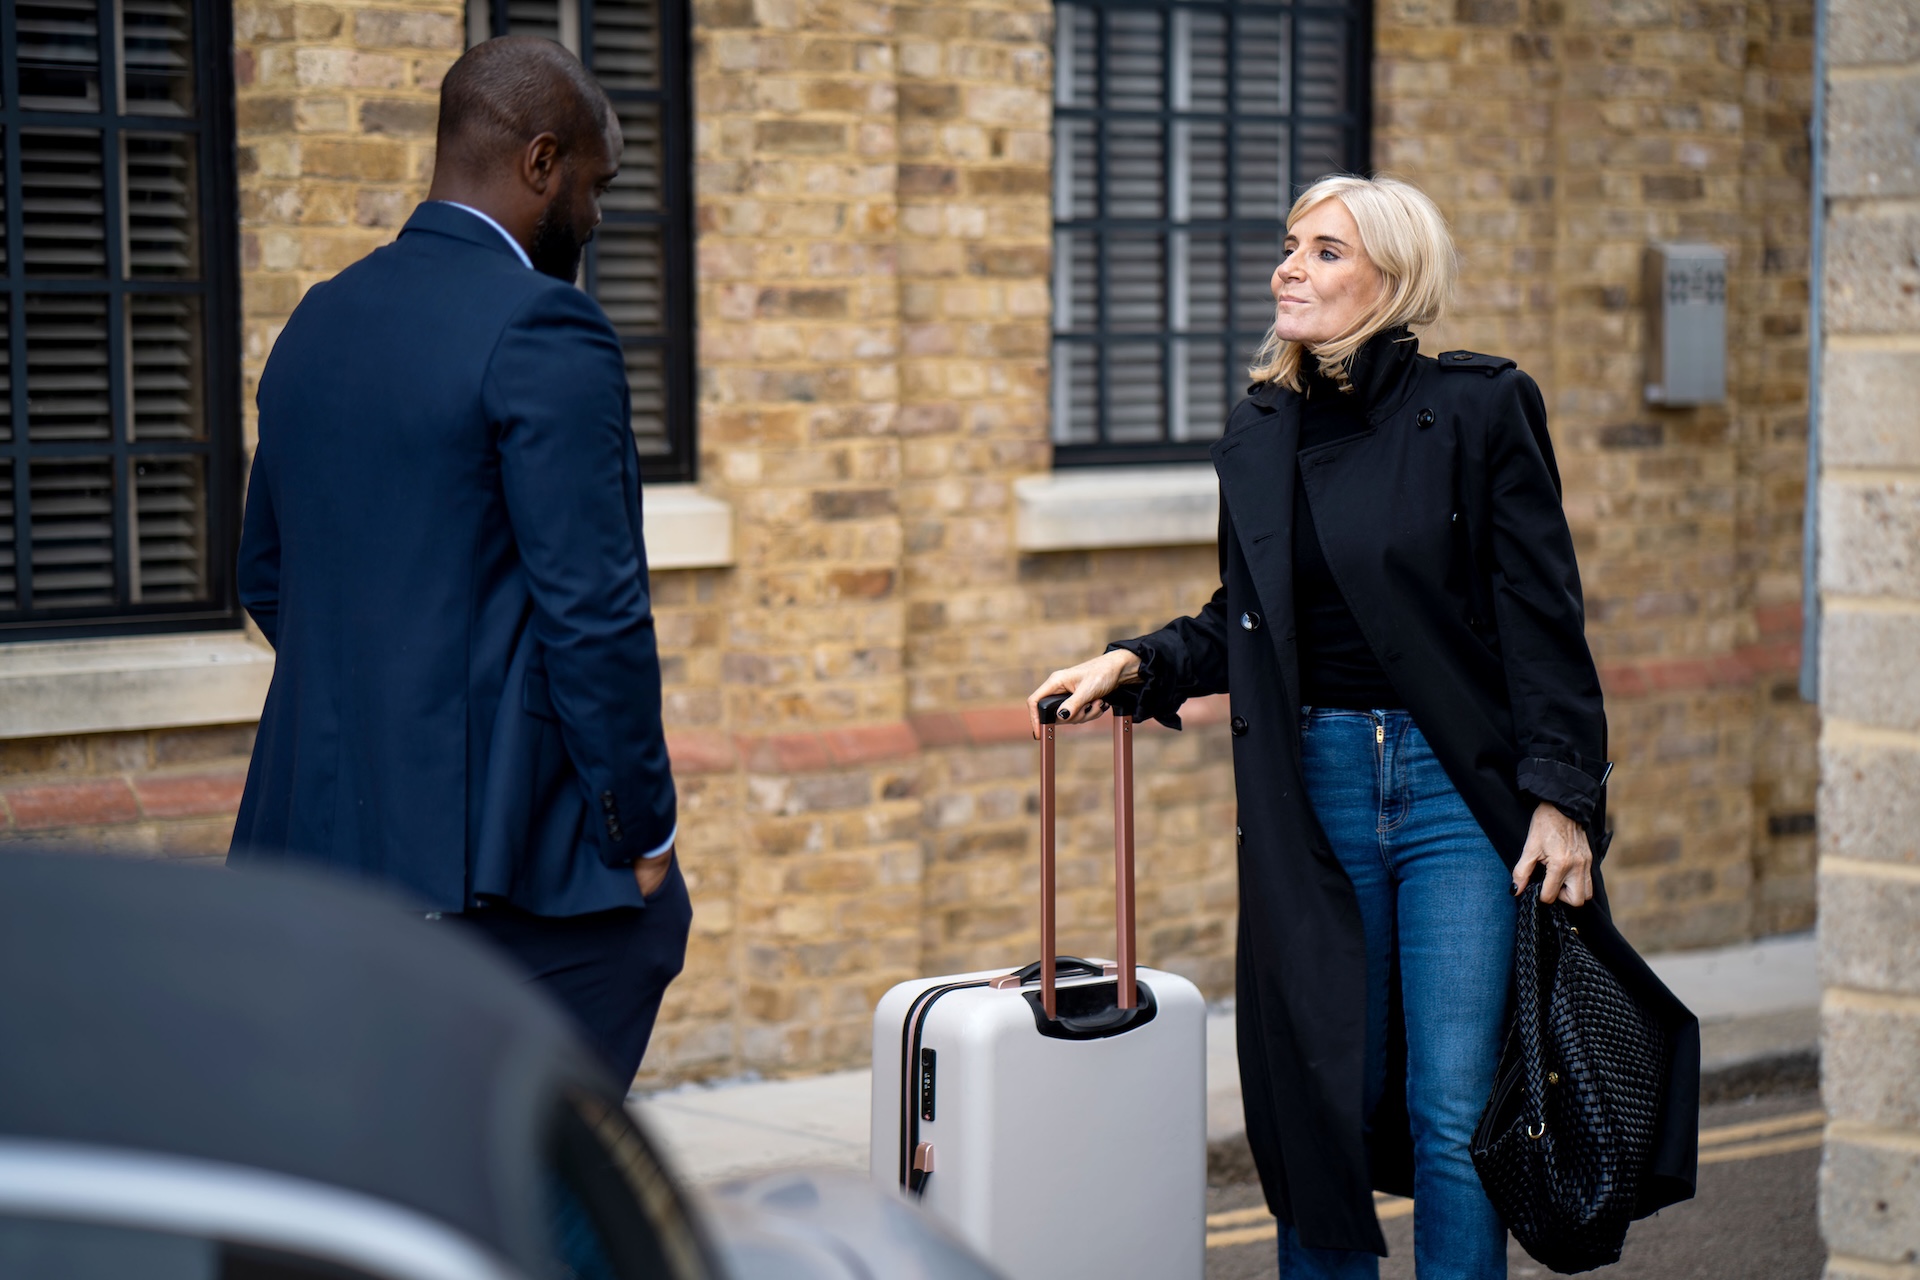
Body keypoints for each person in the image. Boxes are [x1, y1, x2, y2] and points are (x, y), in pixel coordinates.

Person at [1027, 175, 1692, 1278]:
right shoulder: (1262, 427)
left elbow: (1543, 621)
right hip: (1315, 784)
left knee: (1452, 1109)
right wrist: (1137, 663)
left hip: (1451, 793)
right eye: (1291, 246)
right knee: (1317, 1099)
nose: (1290, 266)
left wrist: (1564, 796)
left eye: (1325, 251)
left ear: (1392, 277)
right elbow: (1243, 621)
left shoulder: (1479, 408)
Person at [230, 37, 689, 1082]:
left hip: (313, 831)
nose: (598, 213)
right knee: (643, 934)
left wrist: (386, 708)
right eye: (593, 182)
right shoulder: (546, 327)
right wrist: (642, 828)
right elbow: (594, 613)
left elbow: (263, 570)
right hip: (487, 856)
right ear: (539, 162)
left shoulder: (317, 319)